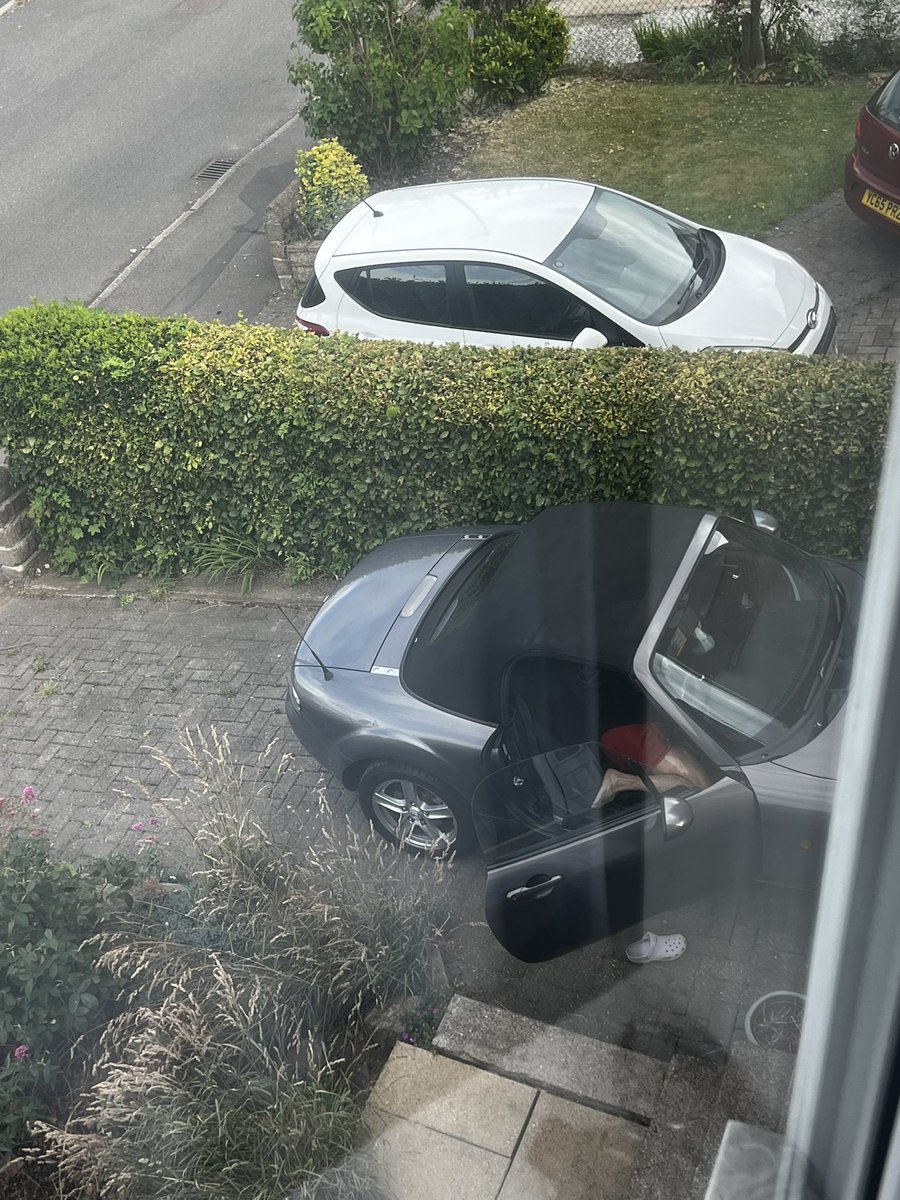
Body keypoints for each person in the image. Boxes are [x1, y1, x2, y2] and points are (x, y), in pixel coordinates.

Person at [592, 722, 710, 808]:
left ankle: (621, 781)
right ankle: (620, 781)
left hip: (617, 735)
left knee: (698, 790)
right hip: (633, 728)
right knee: (703, 791)